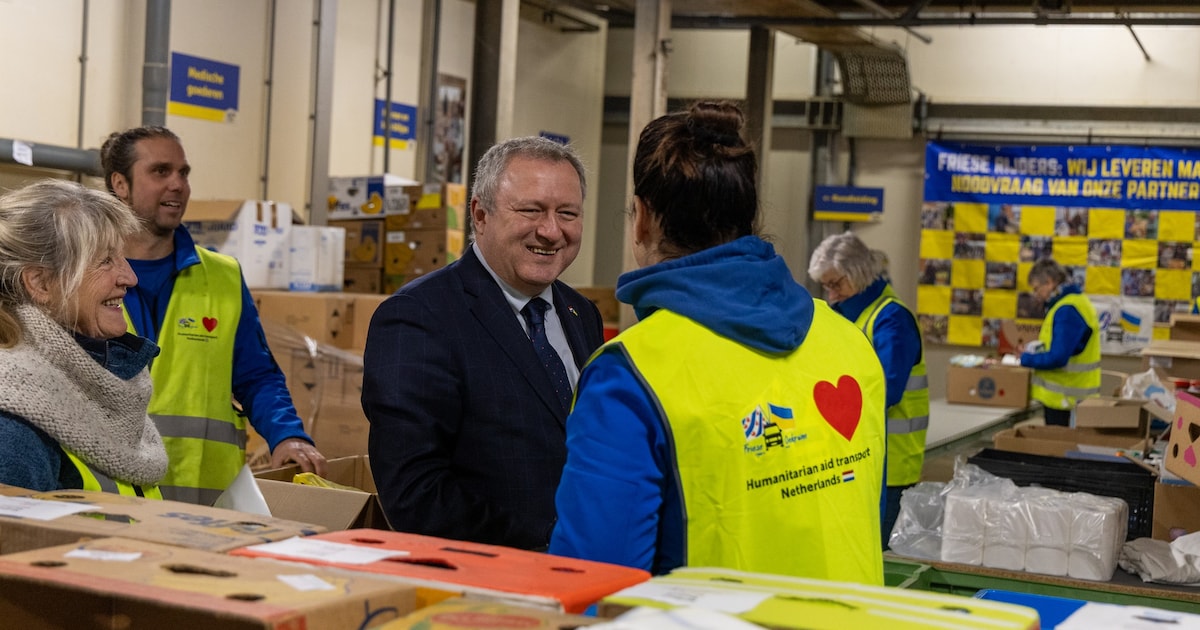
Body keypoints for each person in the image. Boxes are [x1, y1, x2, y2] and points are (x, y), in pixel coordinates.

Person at [548, 101, 887, 584]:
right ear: (747, 218)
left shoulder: (630, 375)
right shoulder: (848, 341)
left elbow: (592, 579)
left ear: (642, 218)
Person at [362, 136, 604, 549]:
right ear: (480, 215)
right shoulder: (418, 317)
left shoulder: (582, 314)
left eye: (567, 213)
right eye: (530, 210)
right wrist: (547, 544)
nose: (551, 231)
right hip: (488, 574)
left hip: (589, 564)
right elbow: (415, 494)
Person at [100, 126, 326, 506]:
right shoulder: (83, 277)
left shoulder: (223, 277)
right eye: (161, 171)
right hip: (113, 500)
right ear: (120, 184)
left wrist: (288, 435)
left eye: (184, 173)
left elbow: (257, 376)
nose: (178, 185)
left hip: (208, 506)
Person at [0, 179, 167, 497]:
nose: (129, 277)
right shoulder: (13, 421)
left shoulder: (97, 380)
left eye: (122, 257)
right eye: (105, 261)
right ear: (41, 284)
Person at [808, 232, 928, 548]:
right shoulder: (846, 314)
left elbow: (887, 390)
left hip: (892, 462)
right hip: (859, 455)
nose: (831, 294)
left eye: (836, 284)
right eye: (826, 286)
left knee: (877, 550)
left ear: (859, 273)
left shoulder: (892, 319)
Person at [1021, 258, 1101, 426]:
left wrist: (1025, 358)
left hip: (1065, 398)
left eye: (1037, 288)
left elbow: (1058, 357)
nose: (1036, 294)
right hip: (1070, 396)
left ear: (1049, 282)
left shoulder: (1067, 309)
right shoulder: (1076, 302)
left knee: (1059, 442)